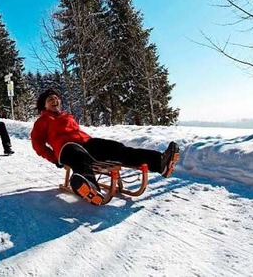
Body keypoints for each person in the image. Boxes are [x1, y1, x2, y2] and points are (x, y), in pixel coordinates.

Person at [30, 88, 180, 205]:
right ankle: (89, 187)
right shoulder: (43, 121)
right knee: (79, 159)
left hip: (87, 142)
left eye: (56, 98)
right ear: (44, 104)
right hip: (66, 148)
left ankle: (160, 163)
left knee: (117, 149)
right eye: (50, 99)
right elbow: (37, 144)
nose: (55, 100)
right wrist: (55, 158)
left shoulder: (67, 116)